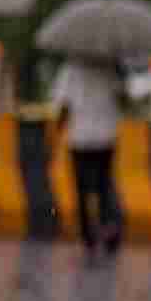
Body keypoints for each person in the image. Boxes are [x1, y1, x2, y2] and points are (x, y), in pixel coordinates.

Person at [50, 56, 124, 255]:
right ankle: (108, 226)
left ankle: (88, 236)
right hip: (105, 136)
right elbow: (122, 97)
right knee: (104, 184)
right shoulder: (109, 67)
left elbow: (64, 106)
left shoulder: (69, 71)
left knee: (81, 188)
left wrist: (57, 131)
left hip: (80, 137)